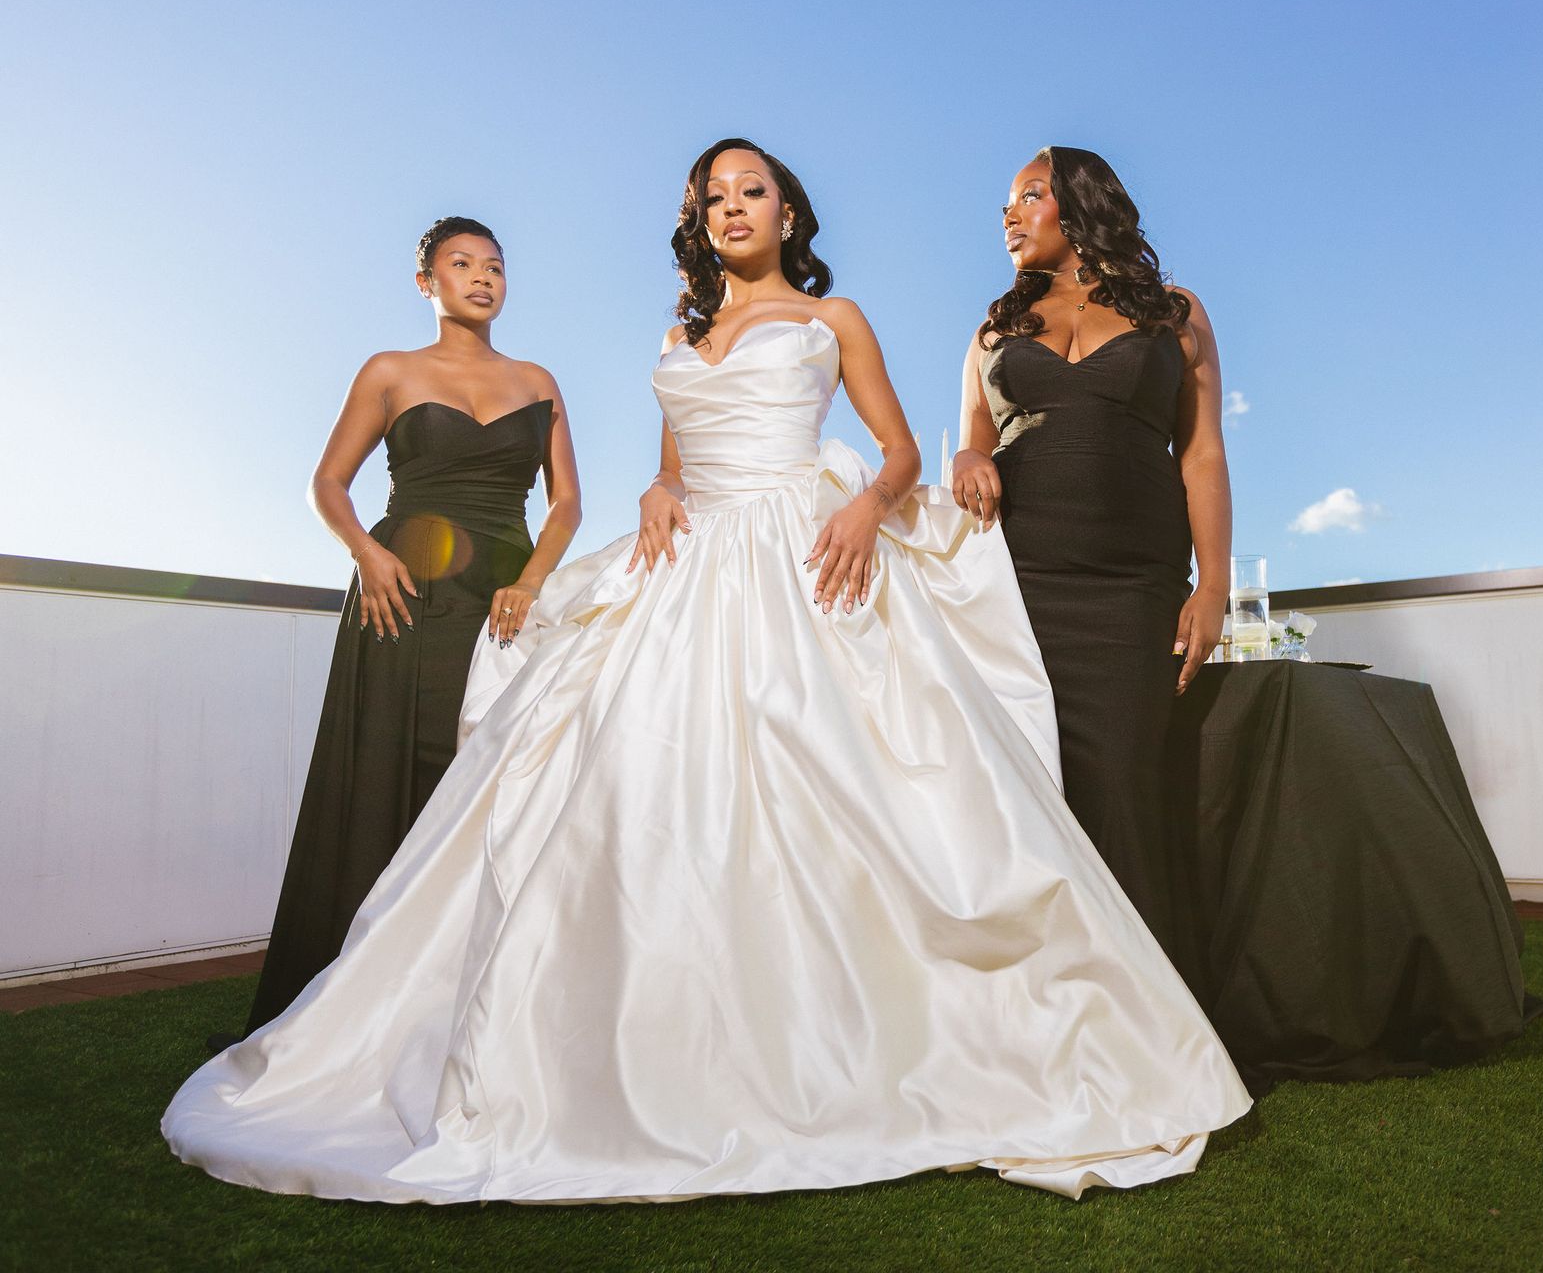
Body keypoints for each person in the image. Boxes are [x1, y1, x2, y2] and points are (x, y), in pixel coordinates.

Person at [162, 140, 1250, 1204]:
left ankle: (876, 1041)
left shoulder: (836, 320)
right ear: (702, 222)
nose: (732, 207)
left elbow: (904, 450)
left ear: (788, 212)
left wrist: (869, 506)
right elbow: (674, 465)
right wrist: (655, 492)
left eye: (752, 190)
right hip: (691, 570)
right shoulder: (683, 331)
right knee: (647, 801)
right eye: (714, 196)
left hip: (807, 553)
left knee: (844, 787)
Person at [229, 217, 580, 1042]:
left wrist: (530, 582)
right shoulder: (390, 370)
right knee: (393, 770)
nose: (482, 278)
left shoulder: (538, 380)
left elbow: (565, 504)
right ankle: (361, 994)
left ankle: (485, 990)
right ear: (428, 283)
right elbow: (328, 480)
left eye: (495, 266)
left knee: (497, 779)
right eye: (461, 265)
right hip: (404, 588)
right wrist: (364, 555)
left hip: (507, 597)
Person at [952, 147, 1231, 945]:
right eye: (1007, 201)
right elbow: (970, 441)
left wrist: (1211, 588)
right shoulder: (993, 328)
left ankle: (1144, 1018)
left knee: (1122, 787)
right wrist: (970, 456)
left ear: (1080, 205)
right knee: (1020, 791)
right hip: (1014, 580)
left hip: (1131, 585)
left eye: (1028, 196)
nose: (1009, 214)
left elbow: (1203, 455)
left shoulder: (1174, 312)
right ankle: (1031, 1011)